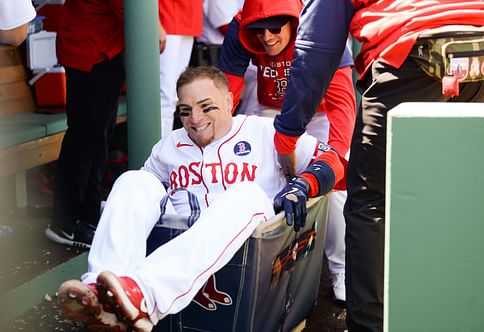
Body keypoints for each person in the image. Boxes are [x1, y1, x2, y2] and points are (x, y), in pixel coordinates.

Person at [56, 66, 347, 332]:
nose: (195, 120)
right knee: (133, 180)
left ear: (230, 101)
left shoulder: (263, 130)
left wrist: (304, 184)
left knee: (245, 193)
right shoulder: (170, 145)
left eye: (207, 107)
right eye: (185, 111)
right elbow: (139, 198)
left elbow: (334, 160)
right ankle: (102, 294)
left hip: (250, 239)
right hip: (185, 233)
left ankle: (144, 294)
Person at [272, 1, 484, 331]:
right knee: (447, 195)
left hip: (410, 57)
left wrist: (288, 132)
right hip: (480, 55)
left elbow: (315, 47)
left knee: (371, 204)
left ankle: (368, 326)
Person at [218, 0, 356, 302]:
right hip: (270, 110)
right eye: (258, 30)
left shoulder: (319, 27)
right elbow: (225, 95)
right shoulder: (238, 28)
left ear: (292, 21)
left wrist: (334, 158)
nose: (266, 37)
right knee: (260, 178)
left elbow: (342, 103)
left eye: (274, 28)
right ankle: (264, 268)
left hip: (319, 113)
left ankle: (341, 271)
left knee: (335, 189)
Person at [45, 0, 166, 248]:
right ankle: (65, 222)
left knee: (98, 138)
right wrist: (155, 26)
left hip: (101, 49)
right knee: (86, 138)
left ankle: (87, 218)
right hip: (90, 50)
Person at [158, 0, 203, 137]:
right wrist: (155, 23)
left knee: (173, 96)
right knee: (164, 96)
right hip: (165, 16)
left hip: (189, 17)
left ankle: (165, 147)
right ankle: (158, 150)